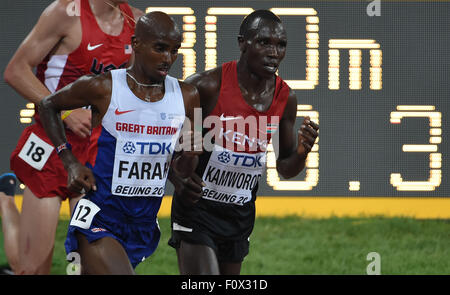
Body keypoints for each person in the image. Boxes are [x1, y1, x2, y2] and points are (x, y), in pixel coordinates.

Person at [39, 11, 201, 275]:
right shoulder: (104, 87)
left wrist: (182, 171)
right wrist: (69, 161)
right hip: (100, 217)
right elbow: (48, 105)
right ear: (136, 43)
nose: (168, 59)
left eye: (174, 50)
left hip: (142, 223)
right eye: (160, 49)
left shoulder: (187, 96)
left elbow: (179, 161)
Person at [168, 10, 320, 275]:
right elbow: (163, 146)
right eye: (264, 42)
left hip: (239, 216)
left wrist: (301, 152)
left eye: (280, 45)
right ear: (242, 43)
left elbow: (285, 169)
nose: (274, 52)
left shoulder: (286, 98)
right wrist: (177, 177)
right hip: (197, 210)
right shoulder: (205, 87)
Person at [3, 0, 143, 274]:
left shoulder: (135, 21)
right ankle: (5, 200)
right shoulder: (65, 12)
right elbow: (15, 70)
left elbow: (131, 92)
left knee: (91, 264)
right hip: (52, 145)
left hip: (95, 154)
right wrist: (65, 112)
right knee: (30, 269)